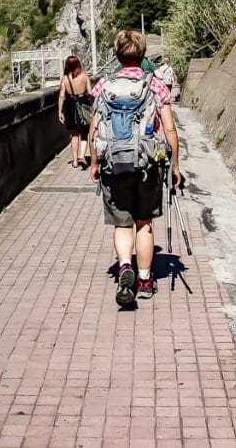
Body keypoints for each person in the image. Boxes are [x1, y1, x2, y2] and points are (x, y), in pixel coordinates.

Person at [89, 30, 181, 306]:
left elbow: (94, 128)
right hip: (148, 165)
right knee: (144, 223)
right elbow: (169, 129)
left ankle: (124, 267)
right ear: (143, 56)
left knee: (122, 223)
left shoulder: (103, 85)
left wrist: (94, 162)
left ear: (117, 55)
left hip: (113, 165)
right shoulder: (154, 85)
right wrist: (175, 167)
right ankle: (144, 279)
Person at [57, 55, 92, 168]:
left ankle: (75, 161)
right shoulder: (84, 77)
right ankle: (82, 155)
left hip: (70, 105)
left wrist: (60, 111)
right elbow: (91, 93)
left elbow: (62, 95)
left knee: (74, 134)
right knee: (84, 132)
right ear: (78, 64)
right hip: (83, 103)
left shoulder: (65, 79)